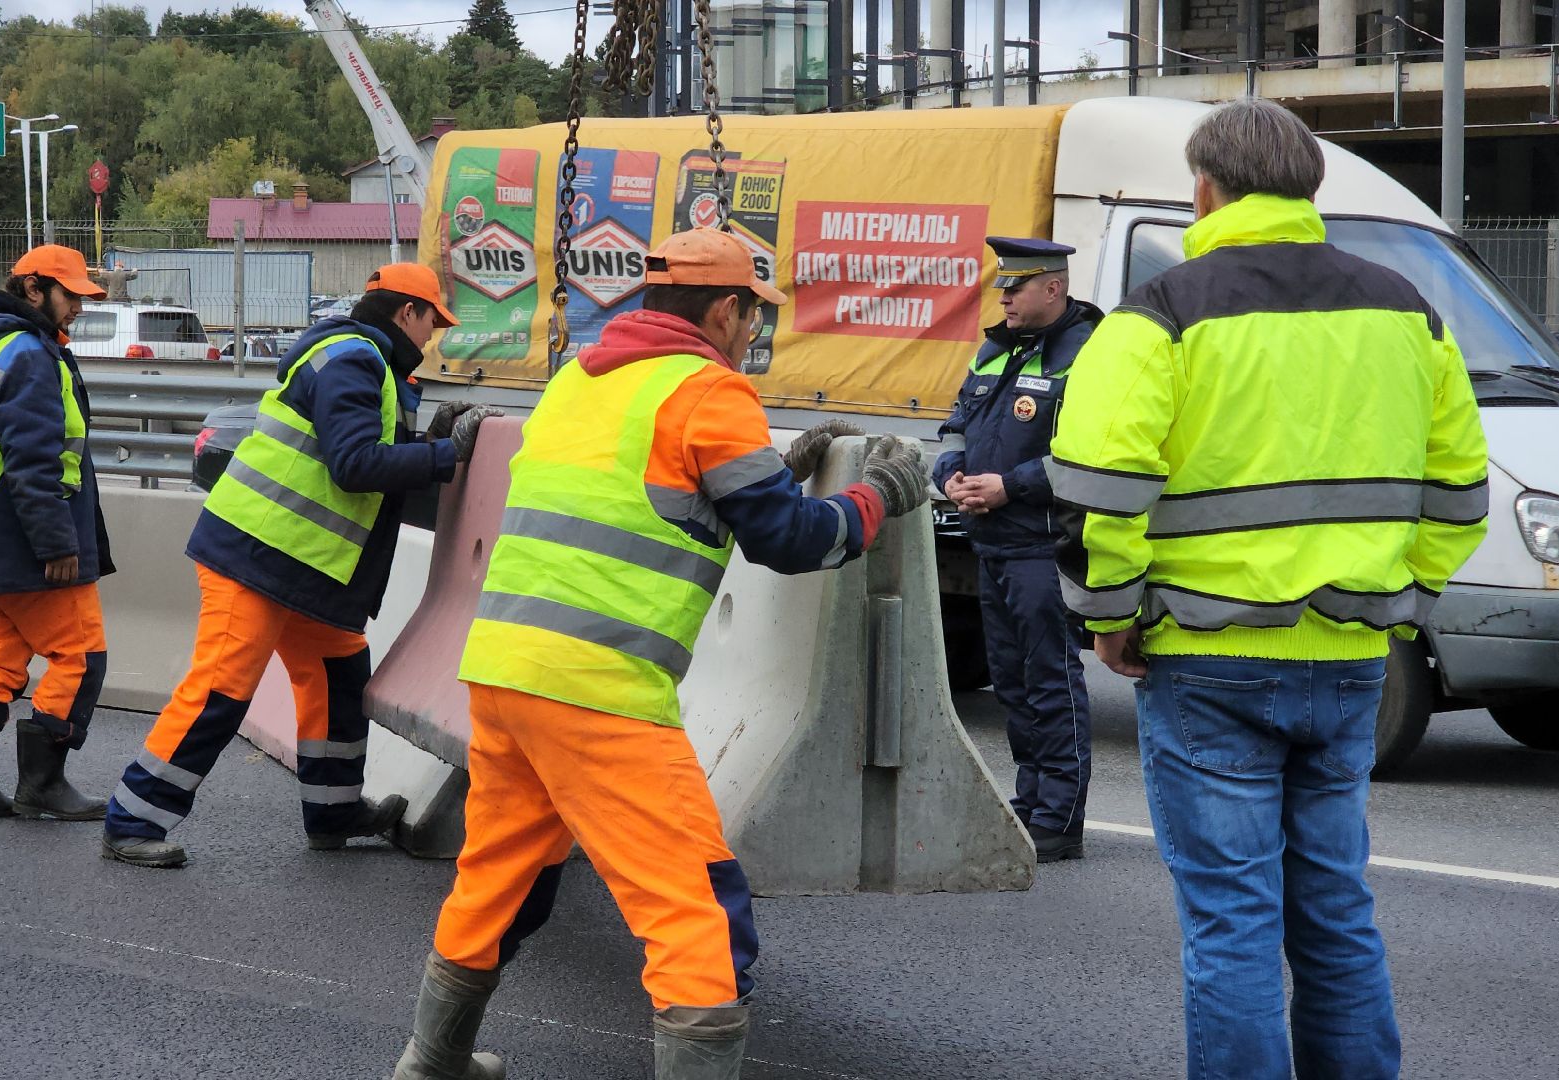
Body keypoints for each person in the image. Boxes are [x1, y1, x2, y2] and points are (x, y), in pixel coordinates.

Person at [388, 228, 929, 1080]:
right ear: (724, 309)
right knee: (697, 908)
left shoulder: (576, 382)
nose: (753, 333)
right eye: (752, 315)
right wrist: (878, 496)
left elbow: (653, 491)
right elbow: (786, 541)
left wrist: (770, 470)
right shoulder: (708, 391)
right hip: (599, 693)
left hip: (501, 674)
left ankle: (430, 1062)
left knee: (497, 877)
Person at [1051, 98, 1489, 1080]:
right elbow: (1459, 498)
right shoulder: (1405, 311)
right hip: (1345, 664)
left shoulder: (1158, 315)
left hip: (1204, 664)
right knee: (1334, 915)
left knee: (1231, 927)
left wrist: (1109, 620)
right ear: (1310, 189)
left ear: (1201, 189)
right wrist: (1397, 598)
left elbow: (1094, 496)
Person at [100, 264, 499, 869]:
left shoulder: (360, 360)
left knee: (339, 670)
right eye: (431, 324)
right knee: (221, 689)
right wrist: (448, 454)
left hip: (297, 567)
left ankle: (334, 812)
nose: (431, 340)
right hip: (258, 558)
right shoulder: (355, 359)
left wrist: (428, 443)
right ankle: (134, 818)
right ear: (406, 313)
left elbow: (364, 455)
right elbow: (356, 465)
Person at [932, 236, 1102, 862]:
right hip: (992, 543)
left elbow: (1095, 457)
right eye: (1003, 286)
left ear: (1053, 287)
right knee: (1011, 685)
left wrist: (1011, 485)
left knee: (1050, 681)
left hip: (1043, 545)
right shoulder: (995, 348)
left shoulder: (1088, 354)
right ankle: (1031, 803)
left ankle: (1060, 817)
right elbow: (955, 426)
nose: (1003, 295)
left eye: (1016, 286)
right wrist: (950, 473)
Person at [0, 245, 113, 824]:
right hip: (28, 538)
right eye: (72, 296)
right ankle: (43, 784)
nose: (79, 309)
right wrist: (57, 544)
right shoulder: (32, 355)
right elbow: (33, 461)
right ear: (33, 290)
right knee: (81, 656)